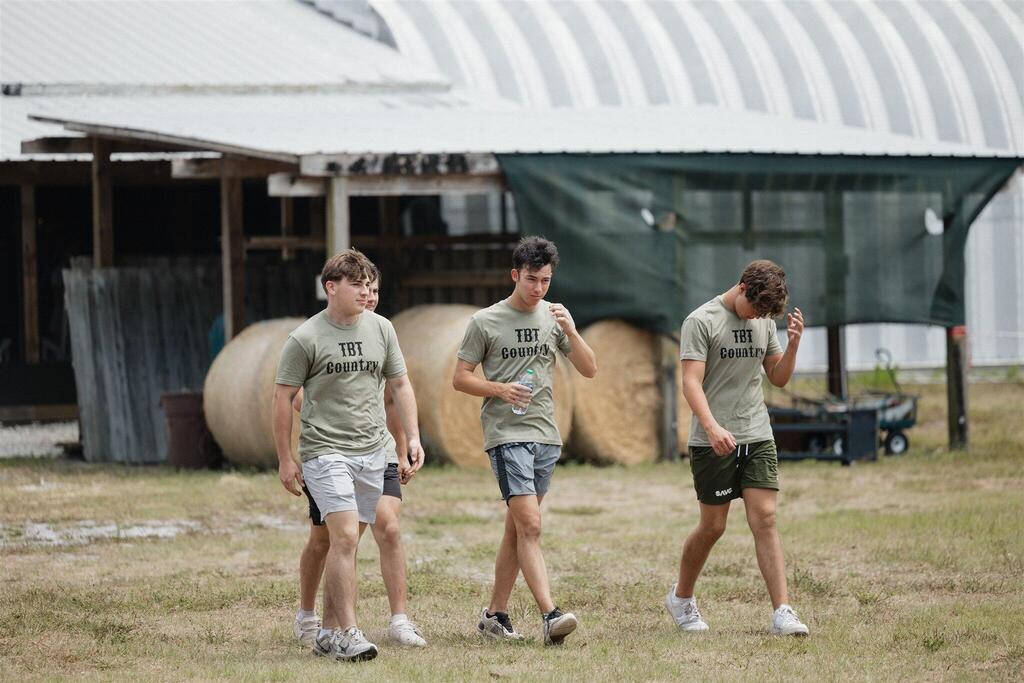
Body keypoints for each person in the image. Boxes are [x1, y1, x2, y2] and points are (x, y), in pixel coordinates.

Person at [273, 249, 425, 662]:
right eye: (356, 285)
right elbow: (283, 398)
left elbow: (401, 385)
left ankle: (327, 632)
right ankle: (347, 632)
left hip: (373, 450)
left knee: (348, 541)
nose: (364, 292)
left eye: (368, 285)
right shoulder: (305, 338)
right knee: (340, 538)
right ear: (331, 287)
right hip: (325, 452)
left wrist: (412, 438)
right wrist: (286, 458)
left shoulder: (382, 329)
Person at [453, 236, 597, 645]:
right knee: (530, 525)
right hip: (506, 435)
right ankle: (551, 615)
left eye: (546, 280)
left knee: (517, 529)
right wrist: (499, 389)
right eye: (532, 279)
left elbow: (590, 368)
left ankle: (495, 615)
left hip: (545, 435)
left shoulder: (554, 318)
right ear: (515, 275)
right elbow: (460, 378)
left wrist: (571, 330)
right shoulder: (485, 321)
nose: (538, 288)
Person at [666, 259, 809, 636]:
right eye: (755, 309)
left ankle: (783, 611)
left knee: (766, 518)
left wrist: (793, 346)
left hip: (757, 433)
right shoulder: (701, 321)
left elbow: (777, 377)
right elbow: (691, 383)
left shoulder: (763, 320)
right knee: (713, 527)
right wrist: (712, 427)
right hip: (712, 440)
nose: (758, 317)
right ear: (742, 287)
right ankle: (681, 597)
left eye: (764, 314)